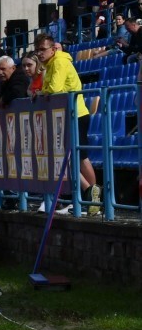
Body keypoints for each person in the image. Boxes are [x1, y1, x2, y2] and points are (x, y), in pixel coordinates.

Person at [35, 33, 100, 214]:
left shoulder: (59, 62)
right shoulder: (49, 65)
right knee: (71, 157)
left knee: (78, 156)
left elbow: (54, 89)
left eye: (43, 49)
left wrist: (42, 92)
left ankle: (93, 195)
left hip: (76, 114)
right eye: (37, 50)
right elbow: (47, 89)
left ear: (53, 49)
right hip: (66, 115)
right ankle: (89, 194)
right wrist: (42, 91)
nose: (39, 54)